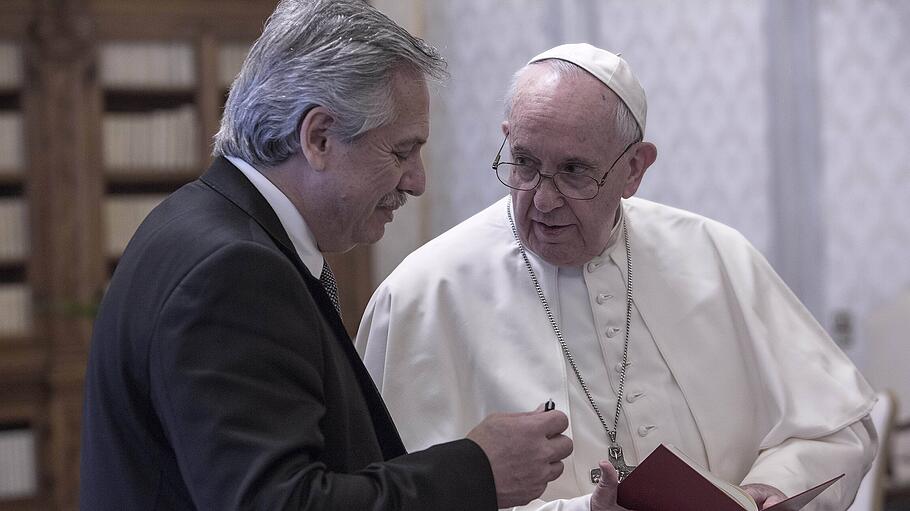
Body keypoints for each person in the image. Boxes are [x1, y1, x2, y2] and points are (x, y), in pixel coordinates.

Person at [78, 1, 573, 509]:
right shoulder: (235, 272)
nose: (418, 181)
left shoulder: (200, 220)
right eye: (402, 151)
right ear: (317, 138)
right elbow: (281, 503)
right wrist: (478, 471)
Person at [356, 43, 877, 511]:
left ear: (635, 170)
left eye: (575, 171)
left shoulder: (714, 255)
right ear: (507, 141)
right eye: (525, 163)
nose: (542, 198)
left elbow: (838, 426)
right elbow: (385, 498)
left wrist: (776, 486)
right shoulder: (422, 294)